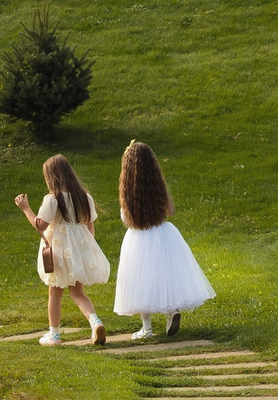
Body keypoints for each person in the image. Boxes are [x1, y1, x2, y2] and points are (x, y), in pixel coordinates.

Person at [113, 140, 215, 338]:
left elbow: (126, 218)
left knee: (140, 281)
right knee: (165, 274)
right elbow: (171, 210)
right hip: (162, 234)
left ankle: (147, 328)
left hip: (137, 239)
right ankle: (172, 311)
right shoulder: (157, 188)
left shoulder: (128, 194)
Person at [15, 156, 110, 345]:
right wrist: (87, 248)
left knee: (55, 292)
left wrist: (25, 209)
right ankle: (95, 321)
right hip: (78, 248)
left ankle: (54, 335)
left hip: (58, 250)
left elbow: (40, 225)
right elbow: (90, 225)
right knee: (78, 293)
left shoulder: (53, 199)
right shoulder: (84, 196)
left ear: (52, 177)